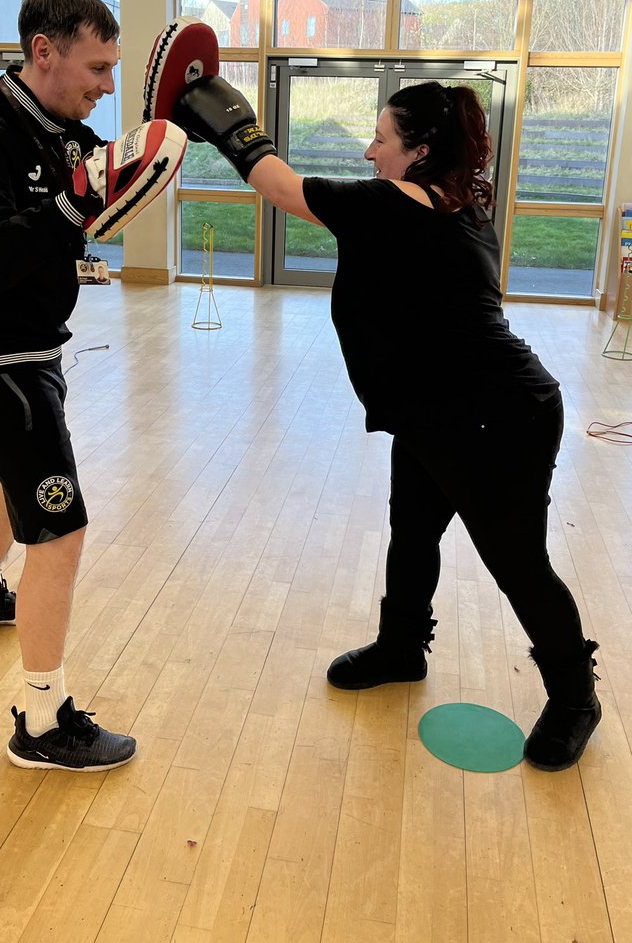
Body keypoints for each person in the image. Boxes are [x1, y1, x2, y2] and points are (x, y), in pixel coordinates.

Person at [170, 71, 601, 773]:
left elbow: (279, 186)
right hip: (435, 411)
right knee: (413, 530)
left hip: (497, 417)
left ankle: (576, 697)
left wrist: (224, 115)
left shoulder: (395, 206)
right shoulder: (449, 202)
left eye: (380, 138)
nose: (370, 153)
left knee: (518, 563)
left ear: (421, 150)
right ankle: (402, 646)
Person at [0, 0, 184, 771]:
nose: (106, 84)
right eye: (98, 66)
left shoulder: (65, 131)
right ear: (45, 52)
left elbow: (103, 185)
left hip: (30, 345)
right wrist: (72, 212)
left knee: (19, 477)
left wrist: (178, 132)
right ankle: (40, 726)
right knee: (60, 530)